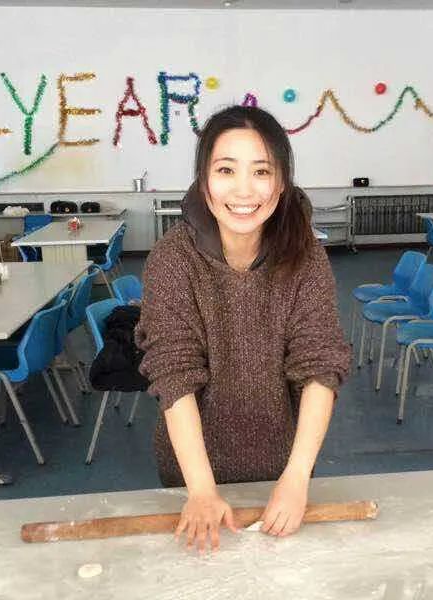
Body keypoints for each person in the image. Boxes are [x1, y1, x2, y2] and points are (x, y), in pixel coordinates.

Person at [135, 105, 351, 552]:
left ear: (282, 182)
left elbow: (319, 366)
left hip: (283, 470)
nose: (244, 190)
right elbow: (174, 376)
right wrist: (201, 490)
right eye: (226, 170)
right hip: (192, 474)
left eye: (261, 171)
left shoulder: (306, 256)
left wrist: (297, 477)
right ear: (203, 180)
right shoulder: (172, 260)